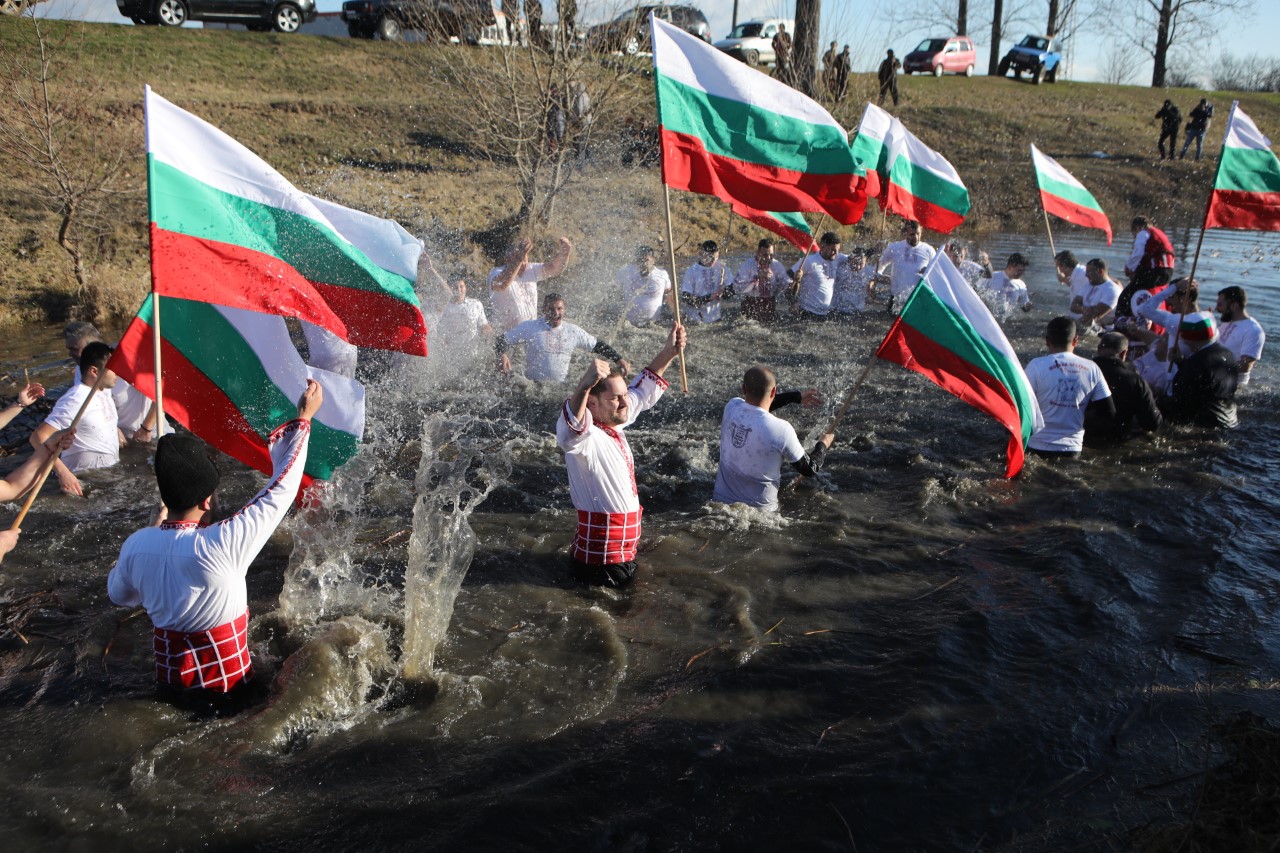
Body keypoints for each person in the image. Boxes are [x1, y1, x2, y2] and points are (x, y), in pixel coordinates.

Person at [107, 380, 323, 715]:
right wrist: (304, 419)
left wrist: (152, 531)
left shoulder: (136, 545)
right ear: (207, 500)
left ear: (165, 497)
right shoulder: (223, 543)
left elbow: (119, 596)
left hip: (168, 696)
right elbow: (280, 489)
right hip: (234, 700)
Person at [556, 323, 686, 588]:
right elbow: (567, 436)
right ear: (593, 403)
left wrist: (669, 352)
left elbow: (642, 392)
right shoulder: (586, 437)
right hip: (602, 562)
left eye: (624, 395)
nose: (626, 402)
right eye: (616, 398)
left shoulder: (614, 419)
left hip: (617, 553)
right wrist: (583, 386)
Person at [712, 366, 833, 512]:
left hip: (720, 505)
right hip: (763, 515)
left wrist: (797, 396)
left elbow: (758, 407)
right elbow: (809, 469)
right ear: (774, 392)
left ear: (744, 389)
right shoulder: (782, 429)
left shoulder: (732, 407)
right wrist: (823, 444)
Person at [31, 342, 120, 497]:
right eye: (112, 368)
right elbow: (37, 437)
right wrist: (63, 473)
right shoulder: (76, 398)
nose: (117, 372)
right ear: (94, 371)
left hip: (109, 475)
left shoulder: (103, 391)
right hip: (82, 482)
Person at [1024, 317, 1114, 458]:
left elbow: (1022, 404)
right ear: (1076, 340)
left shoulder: (1036, 365)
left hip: (1037, 444)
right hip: (1072, 447)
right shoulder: (1092, 368)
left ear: (1047, 341)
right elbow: (1108, 412)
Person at [497, 293, 629, 383]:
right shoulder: (530, 327)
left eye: (559, 309)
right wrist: (503, 354)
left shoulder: (573, 331)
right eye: (551, 309)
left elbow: (598, 345)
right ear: (543, 309)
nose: (555, 313)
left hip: (558, 388)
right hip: (532, 386)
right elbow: (501, 340)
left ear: (564, 310)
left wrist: (619, 359)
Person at [1159, 313, 1238, 429]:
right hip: (1230, 418)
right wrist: (1181, 362)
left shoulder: (1195, 363)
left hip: (1205, 423)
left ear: (1193, 340)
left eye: (1185, 340)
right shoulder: (1228, 354)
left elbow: (1181, 401)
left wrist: (1156, 399)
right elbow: (1209, 380)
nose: (1184, 343)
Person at [1084, 332, 1162, 447]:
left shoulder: (1080, 373)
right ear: (1124, 353)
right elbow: (1152, 423)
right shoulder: (1134, 380)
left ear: (1099, 348)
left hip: (1082, 437)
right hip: (1117, 442)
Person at [487, 235, 574, 333]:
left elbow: (555, 268)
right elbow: (502, 284)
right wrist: (519, 259)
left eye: (525, 257)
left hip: (529, 334)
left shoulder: (531, 269)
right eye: (518, 257)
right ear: (508, 258)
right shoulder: (496, 272)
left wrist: (565, 252)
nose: (523, 262)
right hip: (505, 336)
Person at [1117, 215, 1175, 317]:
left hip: (1156, 271)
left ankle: (1121, 320)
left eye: (1134, 233)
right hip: (1167, 272)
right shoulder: (1160, 233)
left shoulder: (1144, 232)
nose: (1135, 236)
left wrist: (1129, 267)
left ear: (1136, 228)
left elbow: (1138, 253)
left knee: (1125, 297)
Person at [876, 220, 936, 312]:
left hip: (917, 300)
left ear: (921, 231)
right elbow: (879, 268)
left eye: (918, 234)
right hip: (896, 299)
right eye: (912, 234)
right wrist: (877, 277)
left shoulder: (929, 250)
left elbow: (937, 275)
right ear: (906, 232)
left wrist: (928, 271)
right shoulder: (894, 247)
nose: (915, 237)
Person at [791, 231, 850, 320]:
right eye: (833, 250)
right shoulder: (809, 261)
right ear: (822, 246)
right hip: (807, 312)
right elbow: (788, 277)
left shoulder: (837, 258)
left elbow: (854, 258)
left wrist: (866, 254)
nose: (836, 253)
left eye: (838, 250)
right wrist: (793, 302)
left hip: (826, 313)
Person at [435, 274, 494, 363]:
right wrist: (440, 341)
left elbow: (484, 325)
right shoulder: (444, 307)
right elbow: (434, 330)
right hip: (450, 357)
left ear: (466, 288)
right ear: (449, 289)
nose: (459, 290)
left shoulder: (475, 304)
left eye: (461, 286)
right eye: (455, 287)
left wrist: (489, 333)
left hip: (473, 354)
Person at [1215, 286, 1265, 388]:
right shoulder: (1228, 322)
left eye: (1220, 305)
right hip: (1215, 378)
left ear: (1233, 305)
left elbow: (1244, 367)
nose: (1217, 308)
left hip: (1232, 386)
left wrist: (1211, 366)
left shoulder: (1253, 330)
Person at [731, 238, 790, 322]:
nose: (769, 258)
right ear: (758, 252)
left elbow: (786, 286)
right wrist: (757, 277)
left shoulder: (777, 265)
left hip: (770, 305)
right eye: (765, 255)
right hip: (750, 304)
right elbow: (736, 287)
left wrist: (796, 281)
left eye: (771, 255)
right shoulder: (747, 265)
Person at [616, 245, 672, 327]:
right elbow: (614, 291)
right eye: (640, 260)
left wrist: (676, 315)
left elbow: (669, 295)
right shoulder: (626, 272)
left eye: (646, 260)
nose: (643, 264)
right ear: (636, 260)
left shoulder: (662, 274)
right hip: (629, 325)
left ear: (653, 260)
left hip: (653, 325)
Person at [682, 240, 727, 324]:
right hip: (696, 321)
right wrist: (708, 298)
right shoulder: (692, 271)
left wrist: (724, 292)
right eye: (711, 258)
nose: (714, 261)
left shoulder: (721, 268)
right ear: (702, 254)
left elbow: (733, 289)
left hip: (716, 319)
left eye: (716, 258)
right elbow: (686, 298)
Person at [1073, 258, 1124, 331]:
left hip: (1105, 331)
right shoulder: (1089, 285)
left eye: (1089, 272)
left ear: (1100, 271)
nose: (1086, 275)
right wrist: (1085, 309)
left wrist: (1070, 326)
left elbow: (1092, 316)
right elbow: (1073, 306)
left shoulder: (1112, 290)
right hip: (1088, 326)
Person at [986, 252, 1034, 318]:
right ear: (1010, 267)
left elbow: (1024, 306)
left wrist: (1029, 306)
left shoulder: (1021, 285)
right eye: (1019, 270)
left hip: (1007, 318)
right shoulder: (992, 277)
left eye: (1023, 270)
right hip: (988, 315)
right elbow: (977, 291)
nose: (1021, 273)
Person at [832, 248, 876, 316]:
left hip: (857, 312)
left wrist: (872, 284)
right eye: (855, 263)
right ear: (850, 260)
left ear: (866, 262)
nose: (858, 267)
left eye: (861, 264)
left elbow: (883, 279)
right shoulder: (841, 270)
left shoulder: (868, 272)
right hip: (838, 310)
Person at [1055, 250, 1090, 322]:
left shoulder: (1083, 275)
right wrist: (1064, 280)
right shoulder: (1078, 272)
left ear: (1064, 266)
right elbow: (1076, 286)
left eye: (1058, 267)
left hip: (1082, 319)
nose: (1058, 270)